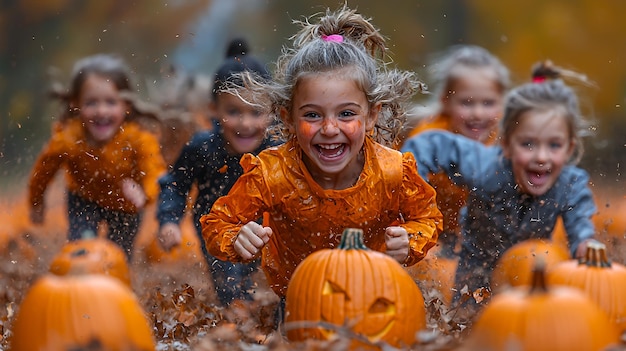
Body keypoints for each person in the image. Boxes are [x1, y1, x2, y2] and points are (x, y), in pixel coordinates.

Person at [200, 5, 442, 307]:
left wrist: (412, 240)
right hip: (301, 297)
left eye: (346, 114)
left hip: (377, 291)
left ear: (371, 115)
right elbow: (218, 223)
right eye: (312, 115)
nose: (329, 128)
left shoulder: (392, 171)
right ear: (287, 118)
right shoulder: (273, 174)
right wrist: (236, 238)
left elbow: (427, 217)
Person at [401, 60, 596, 319]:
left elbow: (580, 219)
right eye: (527, 144)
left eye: (554, 145)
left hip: (530, 269)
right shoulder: (487, 167)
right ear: (506, 145)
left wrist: (584, 242)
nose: (541, 156)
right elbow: (432, 144)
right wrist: (411, 186)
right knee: (468, 323)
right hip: (477, 268)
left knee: (534, 322)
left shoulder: (570, 184)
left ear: (569, 148)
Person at [157, 38, 277, 306]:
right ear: (213, 109)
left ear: (272, 112)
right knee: (230, 286)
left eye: (256, 112)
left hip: (265, 226)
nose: (245, 123)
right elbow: (175, 183)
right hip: (215, 227)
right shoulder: (203, 148)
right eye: (234, 112)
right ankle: (237, 322)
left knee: (270, 280)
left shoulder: (276, 150)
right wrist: (169, 220)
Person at [29, 53, 166, 259]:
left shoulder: (138, 139)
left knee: (118, 257)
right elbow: (43, 170)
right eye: (91, 103)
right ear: (76, 103)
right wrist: (36, 202)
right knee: (82, 248)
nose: (101, 111)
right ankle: (81, 284)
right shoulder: (68, 139)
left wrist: (145, 195)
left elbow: (155, 171)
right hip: (84, 198)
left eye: (111, 102)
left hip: (126, 205)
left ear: (126, 106)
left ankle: (113, 289)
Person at [405, 45, 510, 259]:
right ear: (446, 101)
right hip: (428, 231)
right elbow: (406, 190)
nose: (478, 113)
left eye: (488, 103)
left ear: (502, 104)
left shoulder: (506, 142)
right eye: (466, 103)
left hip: (474, 236)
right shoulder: (428, 138)